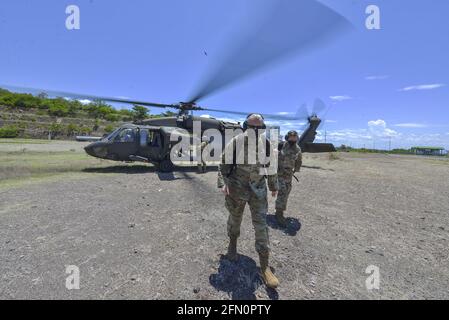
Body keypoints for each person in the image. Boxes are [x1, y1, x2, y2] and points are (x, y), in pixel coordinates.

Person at [217, 114, 280, 288]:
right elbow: (223, 164)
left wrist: (274, 186)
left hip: (258, 191)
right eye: (251, 127)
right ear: (245, 127)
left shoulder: (266, 145)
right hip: (237, 188)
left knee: (261, 225)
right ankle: (232, 245)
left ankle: (265, 266)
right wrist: (223, 183)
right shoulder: (236, 142)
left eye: (259, 128)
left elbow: (271, 167)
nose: (255, 131)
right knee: (234, 219)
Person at [275, 130, 302, 227]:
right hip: (280, 173)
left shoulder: (297, 149)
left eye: (295, 137)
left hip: (289, 174)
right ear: (287, 137)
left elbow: (299, 160)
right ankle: (279, 213)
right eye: (291, 137)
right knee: (282, 191)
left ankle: (280, 210)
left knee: (287, 191)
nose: (293, 139)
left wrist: (296, 169)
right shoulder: (281, 145)